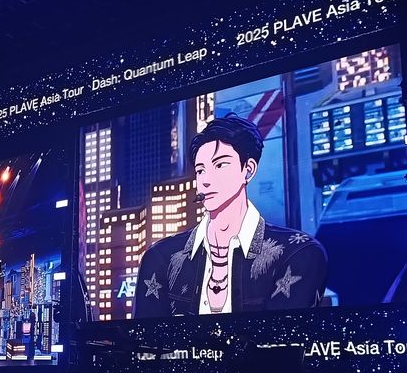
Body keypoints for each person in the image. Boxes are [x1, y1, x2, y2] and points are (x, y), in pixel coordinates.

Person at [135, 114, 328, 317]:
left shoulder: (298, 253)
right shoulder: (161, 257)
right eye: (200, 170)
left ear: (248, 170)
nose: (206, 180)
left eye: (220, 165)